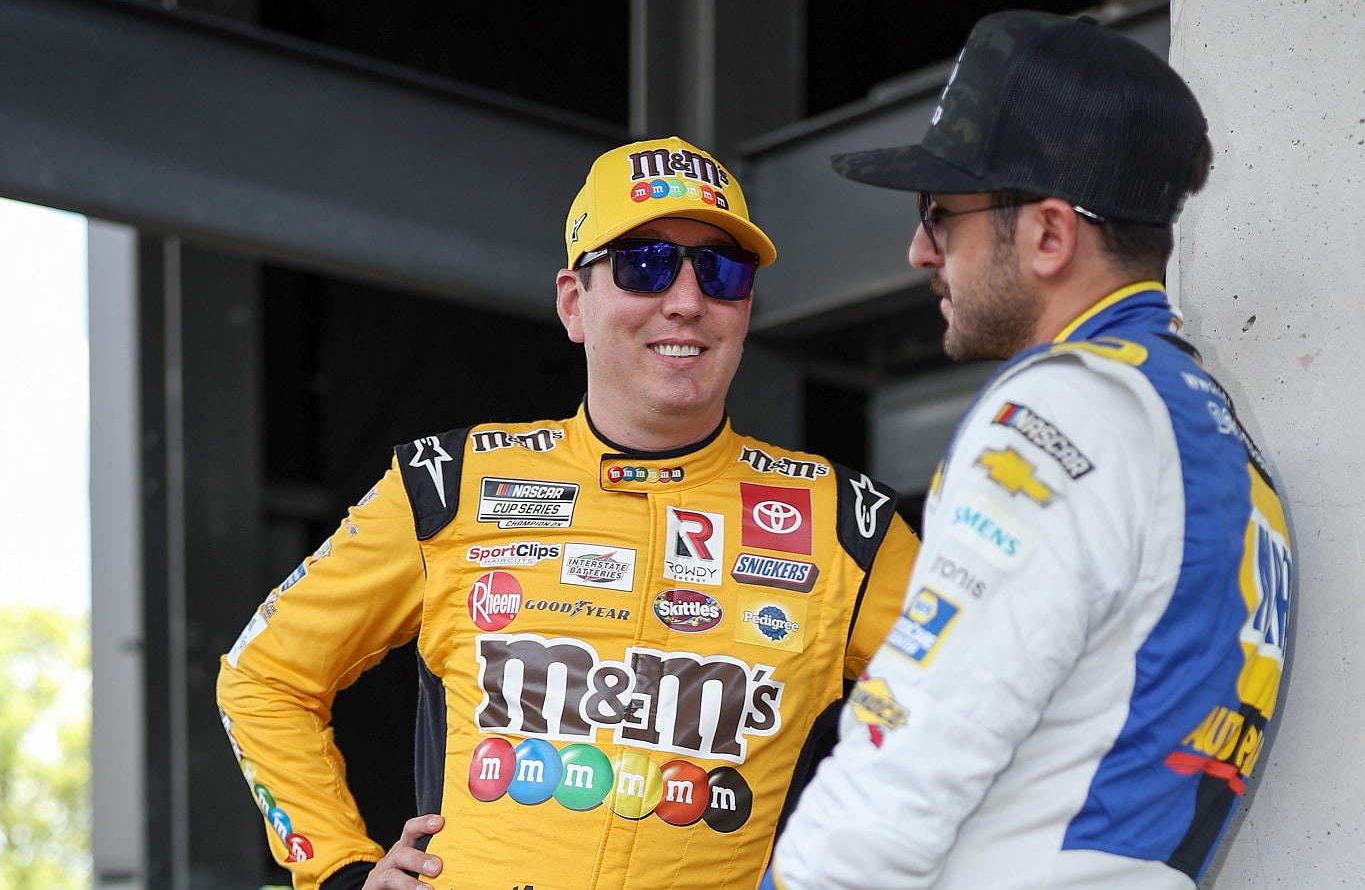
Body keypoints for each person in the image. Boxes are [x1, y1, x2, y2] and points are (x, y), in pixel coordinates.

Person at [216, 136, 921, 890]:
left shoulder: (849, 524)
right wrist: (338, 871)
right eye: (643, 264)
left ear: (745, 308)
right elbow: (262, 677)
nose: (686, 300)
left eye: (722, 271)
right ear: (572, 303)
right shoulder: (446, 485)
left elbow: (977, 714)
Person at [763, 11, 1294, 890]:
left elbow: (917, 738)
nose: (918, 251)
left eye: (942, 216)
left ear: (1050, 234)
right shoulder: (1210, 434)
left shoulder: (1067, 411)